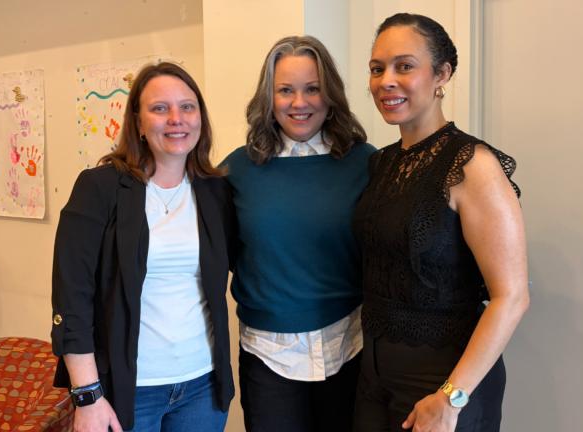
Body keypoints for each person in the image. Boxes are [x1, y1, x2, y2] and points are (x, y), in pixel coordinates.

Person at [352, 13, 530, 432]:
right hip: (373, 379)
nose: (386, 80)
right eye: (377, 69)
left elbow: (513, 296)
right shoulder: (382, 162)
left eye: (405, 66)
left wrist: (452, 397)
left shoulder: (473, 165)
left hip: (443, 383)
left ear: (442, 74)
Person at [51, 62, 234, 432]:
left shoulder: (215, 191)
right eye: (160, 108)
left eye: (187, 106)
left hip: (202, 386)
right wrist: (86, 396)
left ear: (201, 117)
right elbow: (72, 299)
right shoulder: (99, 189)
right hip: (128, 391)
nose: (176, 119)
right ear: (137, 121)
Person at [222, 35, 375, 432]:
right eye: (285, 90)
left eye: (312, 89)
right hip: (268, 353)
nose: (299, 103)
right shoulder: (237, 170)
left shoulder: (367, 163)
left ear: (331, 95)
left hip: (349, 344)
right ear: (268, 98)